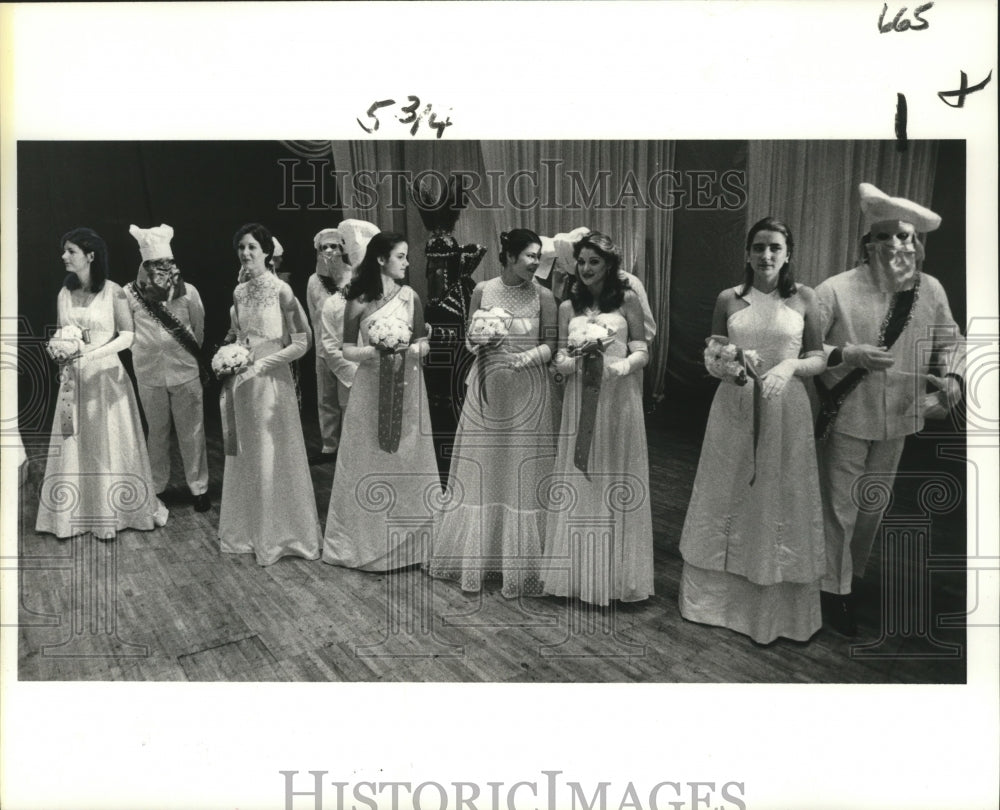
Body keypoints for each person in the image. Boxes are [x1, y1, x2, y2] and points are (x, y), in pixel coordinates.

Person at [815, 183, 964, 636]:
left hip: (899, 416)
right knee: (838, 508)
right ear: (869, 244)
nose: (900, 247)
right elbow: (805, 349)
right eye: (889, 238)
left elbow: (951, 340)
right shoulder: (834, 290)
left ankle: (851, 577)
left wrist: (955, 378)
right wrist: (848, 354)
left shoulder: (931, 290)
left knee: (870, 508)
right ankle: (832, 592)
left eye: (907, 239)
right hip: (847, 414)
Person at [678, 217, 827, 644]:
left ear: (788, 254)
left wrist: (790, 365)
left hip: (785, 408)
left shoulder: (804, 298)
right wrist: (725, 362)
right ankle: (715, 604)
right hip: (734, 408)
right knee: (727, 491)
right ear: (747, 252)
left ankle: (777, 610)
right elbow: (713, 350)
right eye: (758, 247)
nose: (766, 255)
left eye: (775, 248)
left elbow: (817, 355)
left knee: (780, 495)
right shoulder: (729, 297)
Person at [428, 229, 558, 598]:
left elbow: (552, 343)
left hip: (527, 390)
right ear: (510, 256)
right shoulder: (482, 290)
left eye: (538, 256)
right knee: (485, 465)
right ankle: (480, 555)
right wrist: (481, 339)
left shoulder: (544, 296)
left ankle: (520, 561)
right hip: (488, 388)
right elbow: (469, 338)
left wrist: (524, 358)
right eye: (530, 255)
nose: (536, 262)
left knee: (521, 467)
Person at [541, 232, 655, 605]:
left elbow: (642, 351)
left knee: (614, 474)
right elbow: (558, 358)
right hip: (579, 400)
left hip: (618, 398)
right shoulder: (566, 307)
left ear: (609, 265)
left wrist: (618, 367)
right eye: (582, 261)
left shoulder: (627, 301)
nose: (586, 268)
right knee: (581, 476)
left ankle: (617, 577)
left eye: (594, 262)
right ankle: (574, 575)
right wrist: (571, 360)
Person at [36, 227, 169, 539]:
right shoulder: (64, 292)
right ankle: (75, 513)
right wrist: (62, 355)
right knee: (77, 442)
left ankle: (113, 512)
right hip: (74, 380)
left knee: (107, 442)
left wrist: (92, 354)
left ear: (90, 256)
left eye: (71, 251)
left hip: (107, 378)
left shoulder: (114, 291)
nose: (64, 256)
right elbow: (60, 330)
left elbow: (127, 335)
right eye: (64, 251)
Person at [322, 232, 440, 571]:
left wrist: (410, 349)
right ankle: (367, 541)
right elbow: (344, 349)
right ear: (380, 259)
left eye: (406, 257)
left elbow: (422, 343)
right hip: (370, 389)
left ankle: (415, 542)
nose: (406, 263)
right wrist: (376, 353)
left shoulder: (411, 297)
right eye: (400, 256)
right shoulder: (357, 300)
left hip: (409, 387)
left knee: (408, 457)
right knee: (369, 457)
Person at [218, 223, 321, 566]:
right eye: (241, 248)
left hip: (271, 383)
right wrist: (228, 357)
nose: (246, 254)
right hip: (243, 384)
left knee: (270, 451)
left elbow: (303, 343)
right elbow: (237, 334)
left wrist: (262, 366)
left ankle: (281, 534)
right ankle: (250, 531)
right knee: (247, 453)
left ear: (266, 252)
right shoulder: (238, 293)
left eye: (252, 248)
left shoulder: (282, 291)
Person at [124, 223, 210, 512]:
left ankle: (199, 488)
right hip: (148, 373)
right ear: (144, 265)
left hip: (185, 371)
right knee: (156, 431)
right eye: (154, 264)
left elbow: (198, 329)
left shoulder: (189, 293)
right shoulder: (129, 295)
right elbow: (127, 330)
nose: (161, 269)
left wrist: (184, 355)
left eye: (166, 263)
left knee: (192, 430)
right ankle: (157, 487)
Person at [318, 220, 380, 418]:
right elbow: (330, 346)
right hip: (350, 382)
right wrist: (356, 376)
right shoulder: (334, 304)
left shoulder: (390, 299)